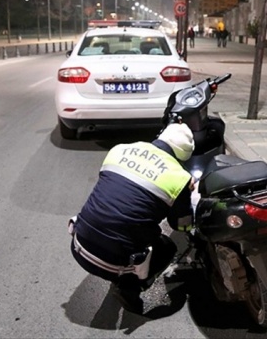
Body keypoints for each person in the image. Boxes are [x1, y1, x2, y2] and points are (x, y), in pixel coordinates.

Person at [68, 123, 195, 313]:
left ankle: (120, 271)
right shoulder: (179, 177)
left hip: (79, 244)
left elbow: (114, 191)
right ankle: (129, 288)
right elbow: (180, 226)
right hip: (110, 262)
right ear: (184, 156)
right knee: (167, 248)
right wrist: (185, 196)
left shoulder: (119, 150)